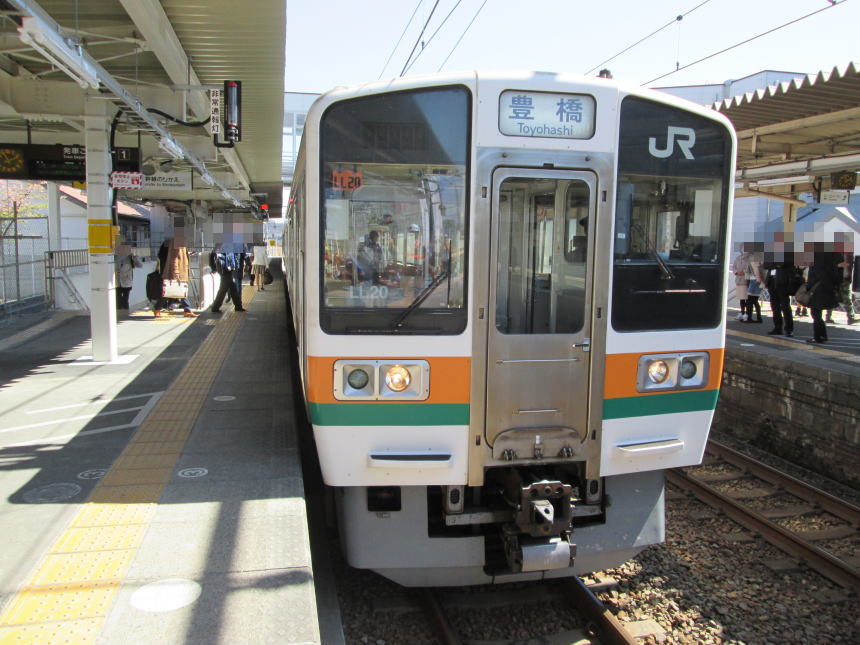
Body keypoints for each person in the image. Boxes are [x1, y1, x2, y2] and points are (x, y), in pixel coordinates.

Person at [153, 238, 198, 318]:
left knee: (180, 291)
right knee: (169, 291)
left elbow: (178, 256)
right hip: (176, 272)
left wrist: (187, 253)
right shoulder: (177, 242)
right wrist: (176, 272)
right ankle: (157, 308)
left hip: (178, 271)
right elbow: (174, 258)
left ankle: (187, 310)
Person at [806, 246, 842, 344]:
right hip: (827, 287)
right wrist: (833, 287)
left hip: (818, 288)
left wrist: (809, 286)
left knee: (815, 313)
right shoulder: (833, 254)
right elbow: (838, 271)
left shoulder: (817, 256)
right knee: (817, 312)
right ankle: (822, 335)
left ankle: (819, 336)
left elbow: (818, 273)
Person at [209, 245, 245, 313]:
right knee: (223, 289)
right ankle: (215, 307)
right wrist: (213, 268)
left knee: (232, 287)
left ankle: (238, 306)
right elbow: (212, 256)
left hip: (227, 268)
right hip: (224, 269)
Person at [115, 244, 142, 311]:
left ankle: (125, 313)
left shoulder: (130, 258)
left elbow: (140, 265)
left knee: (125, 300)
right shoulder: (115, 257)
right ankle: (119, 313)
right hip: (117, 282)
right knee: (118, 300)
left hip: (127, 282)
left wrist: (135, 257)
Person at [732, 249, 749, 321]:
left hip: (746, 280)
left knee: (747, 298)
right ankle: (742, 312)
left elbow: (751, 268)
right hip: (739, 280)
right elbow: (734, 267)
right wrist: (736, 272)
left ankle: (747, 314)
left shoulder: (750, 259)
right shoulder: (738, 258)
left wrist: (744, 272)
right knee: (741, 298)